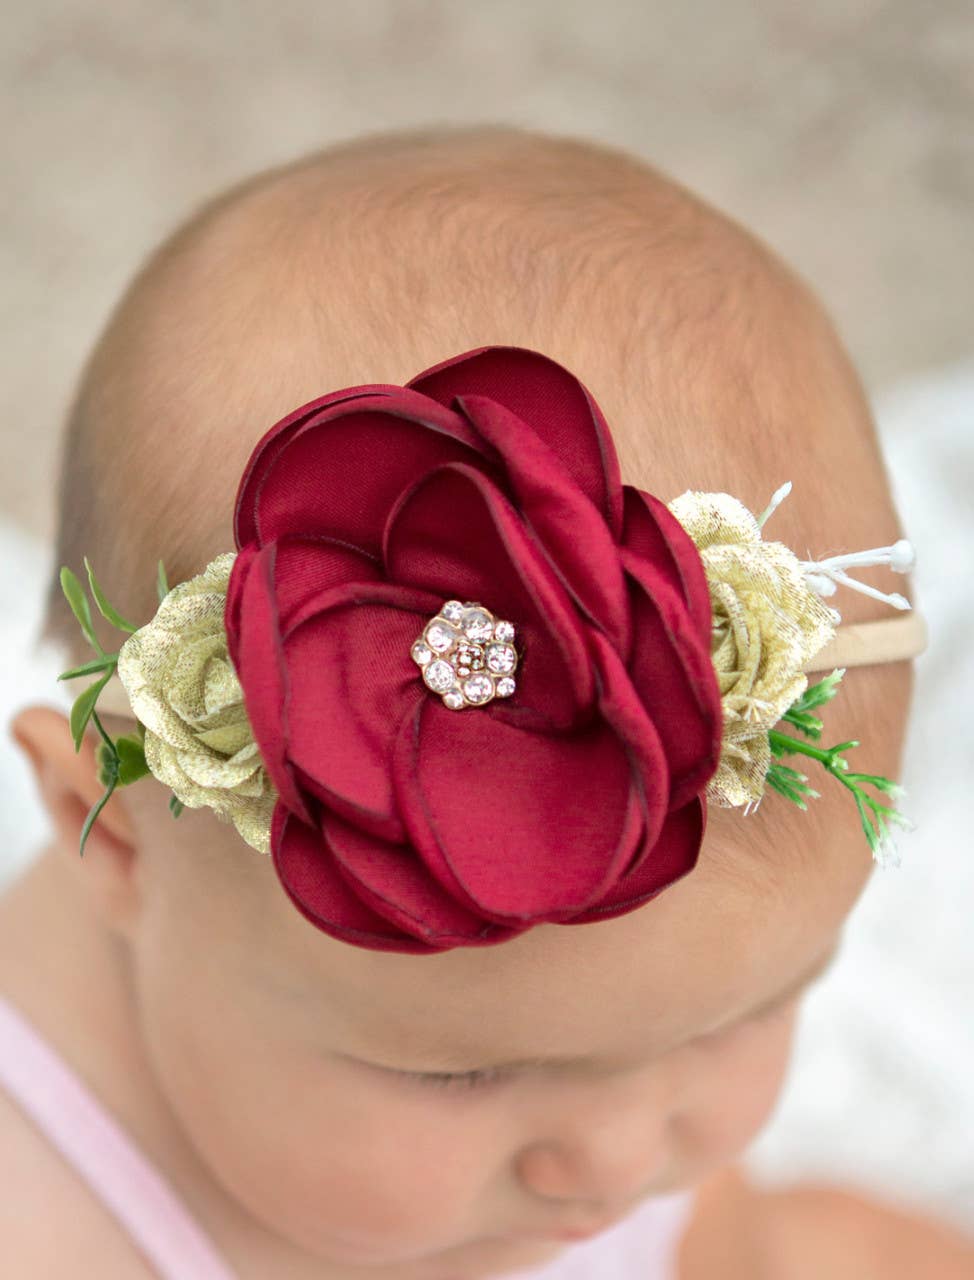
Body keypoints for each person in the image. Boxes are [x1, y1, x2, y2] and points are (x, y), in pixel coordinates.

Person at [2, 123, 971, 1280]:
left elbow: (716, 1229)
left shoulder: (617, 1114)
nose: (616, 1163)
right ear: (106, 831)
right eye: (461, 1073)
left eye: (747, 1011)